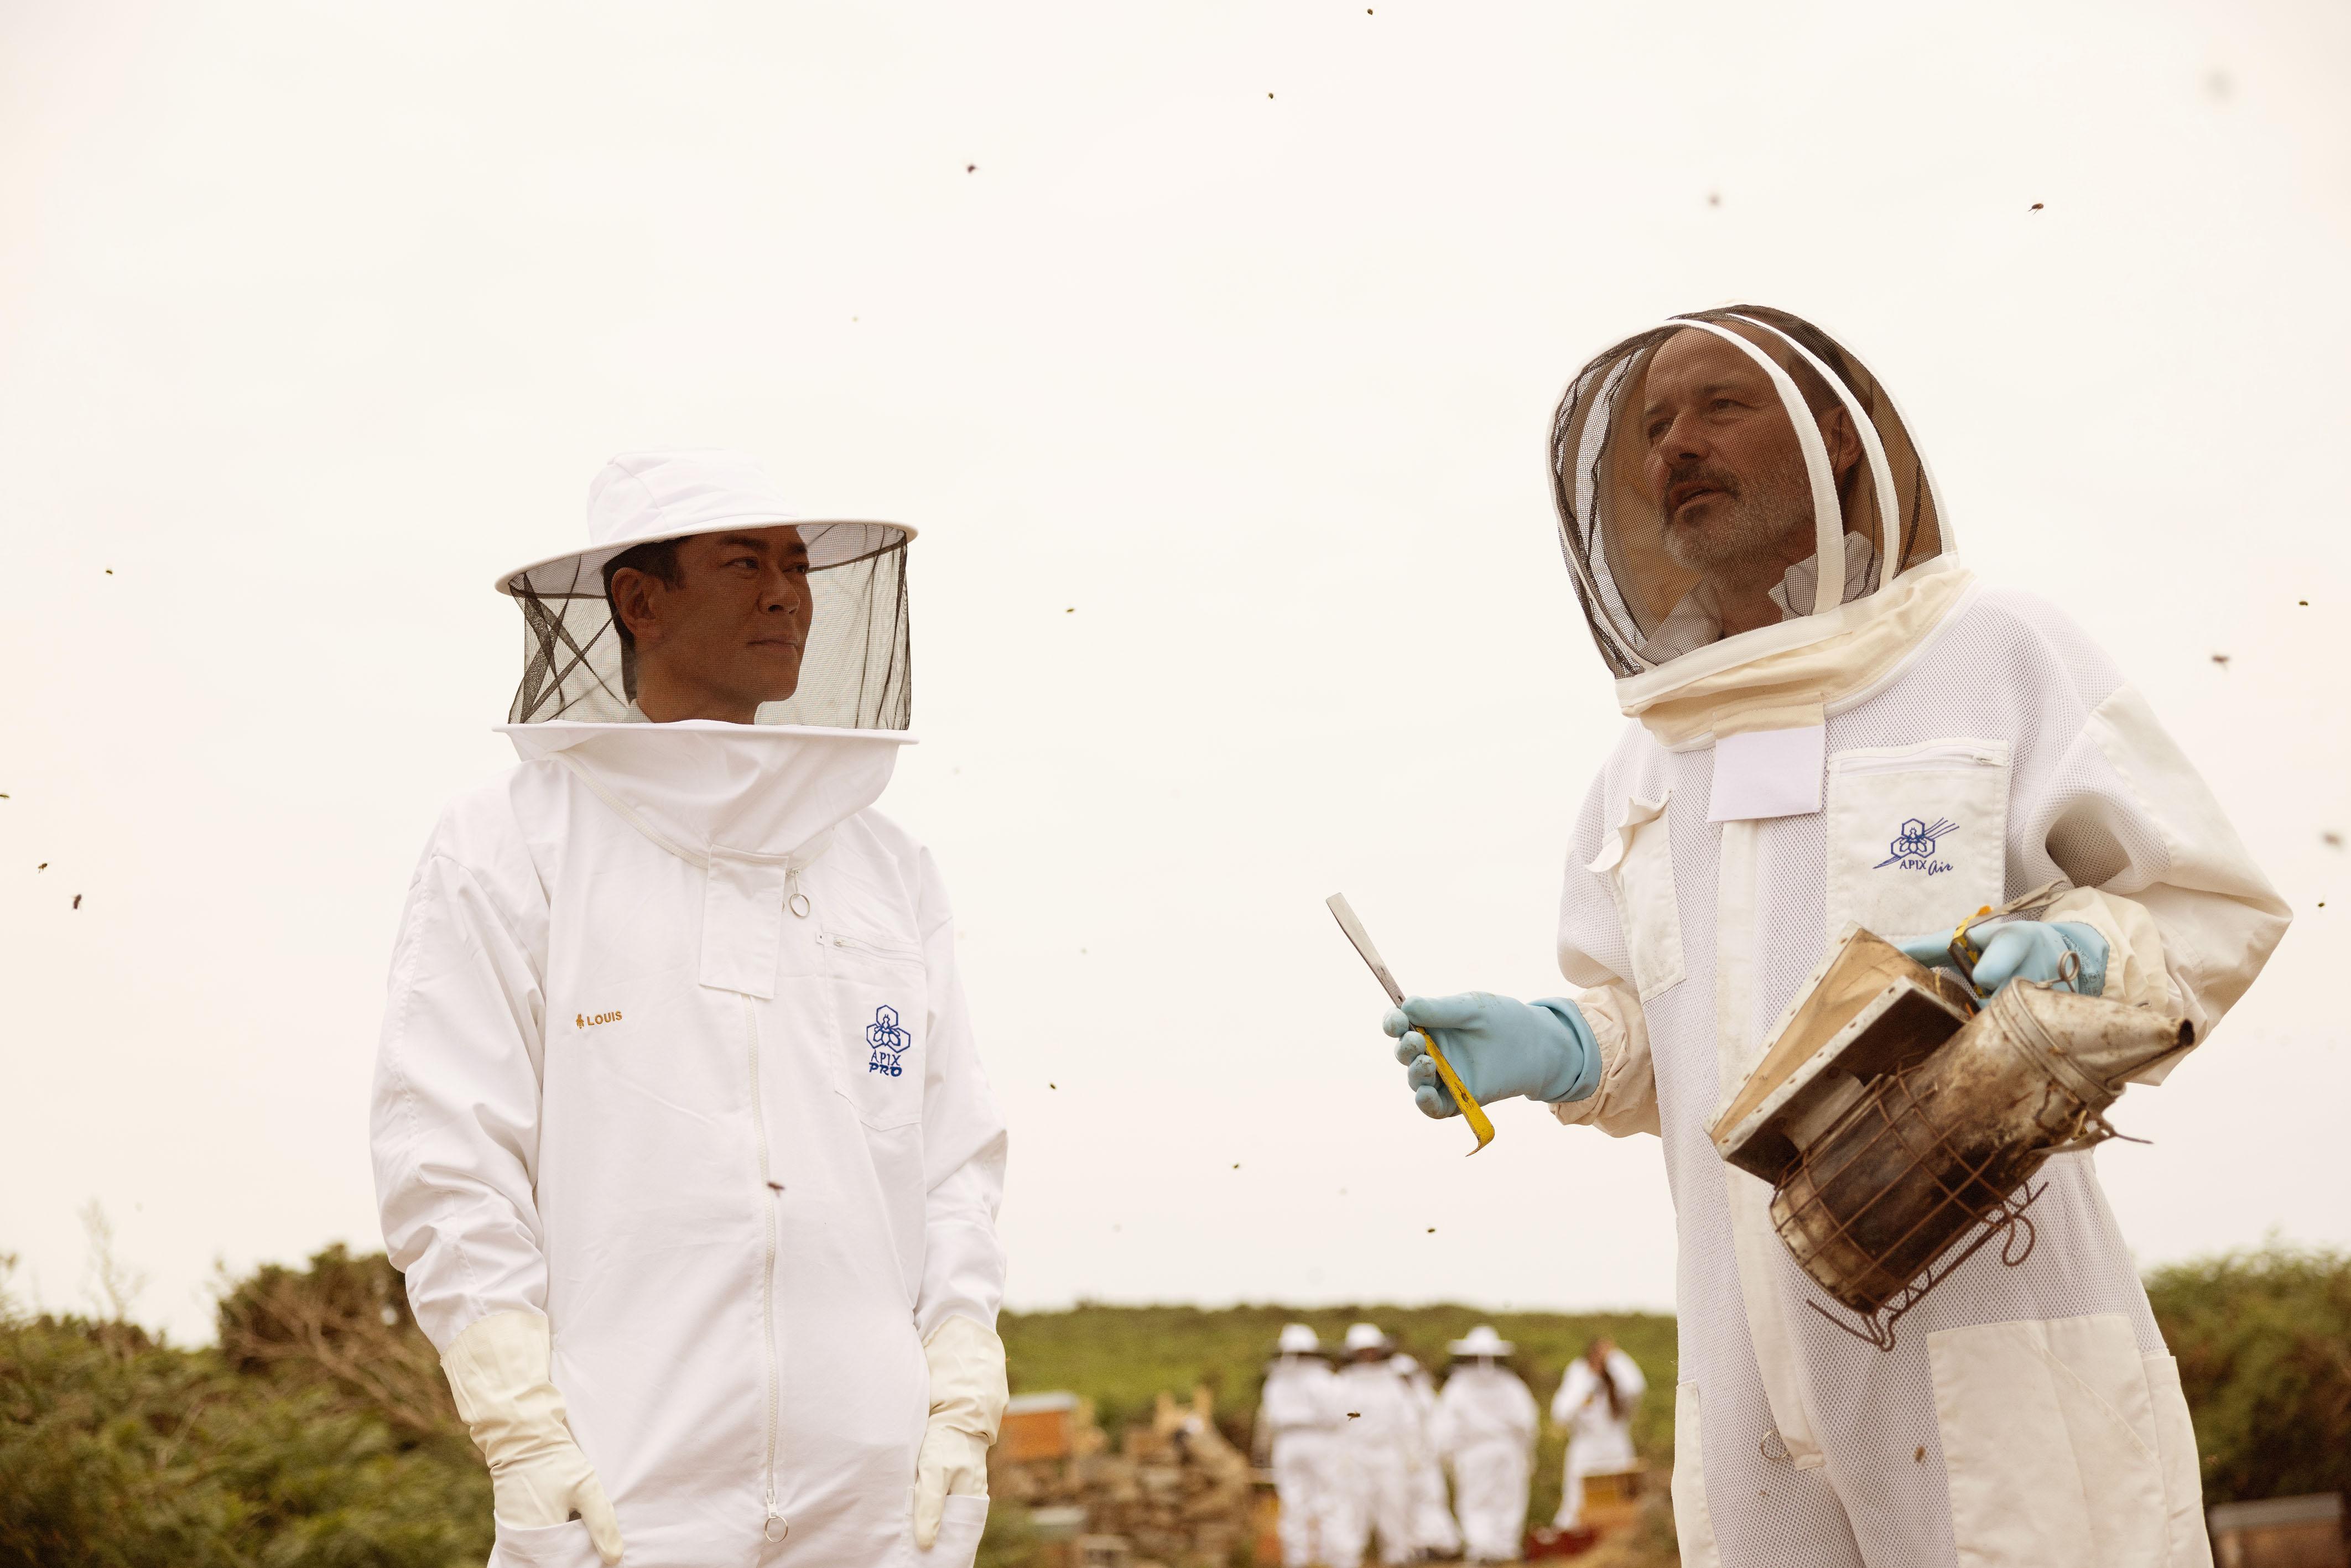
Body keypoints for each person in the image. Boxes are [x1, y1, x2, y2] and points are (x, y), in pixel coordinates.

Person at [1376, 308, 2289, 1567]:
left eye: (1719, 407)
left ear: (1837, 440)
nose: (1675, 448)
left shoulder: (1996, 654)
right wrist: (1566, 1048)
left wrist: (2082, 958)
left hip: (1991, 1336)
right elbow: (1669, 1032)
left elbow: (2207, 906)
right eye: (1653, 426)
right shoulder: (1648, 759)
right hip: (1743, 1374)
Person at [371, 450, 1008, 1568]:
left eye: (798, 566)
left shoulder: (888, 867)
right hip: (624, 1481)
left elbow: (951, 1156)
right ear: (639, 600)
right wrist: (519, 1422)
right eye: (743, 562)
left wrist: (960, 1379)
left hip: (876, 1493)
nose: (786, 594)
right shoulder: (510, 842)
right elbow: (448, 1150)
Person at [1432, 1327, 1537, 1565]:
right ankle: (1502, 1549)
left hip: (1474, 1454)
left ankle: (1485, 1550)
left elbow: (1445, 1428)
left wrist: (1447, 1455)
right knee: (1507, 1501)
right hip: (1507, 1452)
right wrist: (1526, 1452)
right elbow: (1527, 1424)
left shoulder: (1458, 1387)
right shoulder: (1512, 1385)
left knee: (1477, 1502)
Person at [1327, 1324, 1417, 1568]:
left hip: (1389, 1453)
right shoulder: (1343, 1383)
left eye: (1372, 1350)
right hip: (1354, 1455)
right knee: (1352, 1509)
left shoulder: (1392, 1382)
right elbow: (1335, 1419)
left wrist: (1412, 1453)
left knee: (1394, 1506)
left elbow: (1408, 1420)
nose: (1369, 1356)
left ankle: (1397, 1557)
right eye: (1363, 1351)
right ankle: (1347, 1559)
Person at [1256, 1325, 1345, 1568]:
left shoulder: (1274, 1381)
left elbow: (1267, 1418)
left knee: (1293, 1504)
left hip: (1286, 1443)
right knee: (1328, 1501)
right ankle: (1333, 1560)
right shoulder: (1322, 1379)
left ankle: (1296, 1560)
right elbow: (1336, 1414)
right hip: (1319, 1440)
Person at [1551, 1338, 1645, 1530]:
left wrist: (1614, 1359)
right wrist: (1586, 1387)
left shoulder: (1618, 1385)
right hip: (1585, 1453)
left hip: (1617, 1451)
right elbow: (1561, 1413)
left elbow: (1636, 1387)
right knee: (1577, 1503)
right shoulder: (1578, 1375)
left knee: (1620, 1504)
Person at [1389, 1352, 1463, 1560]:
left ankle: (1441, 1544)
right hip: (1399, 1465)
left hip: (1426, 1464)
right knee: (1403, 1507)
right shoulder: (1391, 1400)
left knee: (1433, 1503)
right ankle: (1414, 1547)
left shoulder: (1425, 1398)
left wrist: (1433, 1455)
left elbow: (1438, 1429)